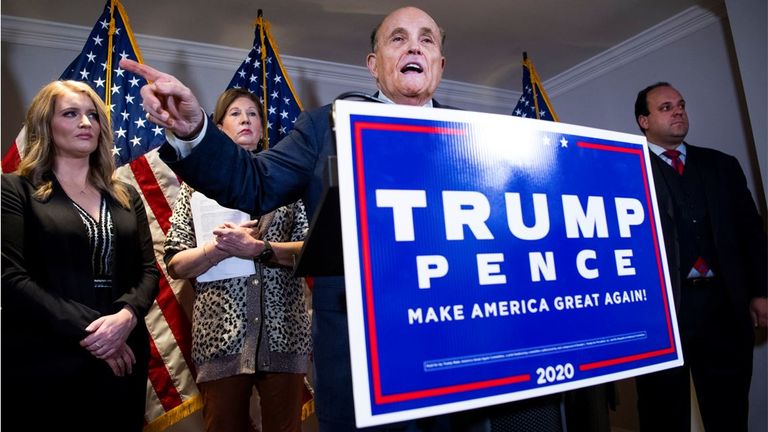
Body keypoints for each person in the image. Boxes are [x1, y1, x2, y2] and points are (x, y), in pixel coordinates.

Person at [121, 7, 564, 431]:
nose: (415, 48)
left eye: (426, 40)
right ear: (374, 64)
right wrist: (195, 128)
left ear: (439, 63)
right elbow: (254, 184)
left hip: (459, 347)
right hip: (361, 355)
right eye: (399, 39)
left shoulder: (478, 141)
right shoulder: (324, 128)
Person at [1, 80, 159, 431]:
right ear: (46, 124)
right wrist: (97, 334)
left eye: (92, 115)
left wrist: (127, 318)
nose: (86, 123)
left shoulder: (126, 196)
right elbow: (10, 279)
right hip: (45, 357)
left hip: (123, 356)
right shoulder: (15, 189)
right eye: (71, 114)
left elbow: (149, 272)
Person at [163, 87, 312, 432]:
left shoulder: (289, 183)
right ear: (218, 128)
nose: (245, 119)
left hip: (285, 334)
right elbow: (175, 262)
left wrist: (260, 250)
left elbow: (311, 249)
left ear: (262, 129)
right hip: (220, 338)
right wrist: (220, 249)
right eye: (235, 113)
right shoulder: (196, 186)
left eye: (253, 114)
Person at [633, 82, 767, 431]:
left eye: (680, 104)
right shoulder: (624, 170)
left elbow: (751, 232)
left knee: (729, 412)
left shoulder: (722, 165)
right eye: (665, 107)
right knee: (663, 415)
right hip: (662, 317)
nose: (678, 111)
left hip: (725, 308)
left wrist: (761, 291)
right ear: (643, 121)